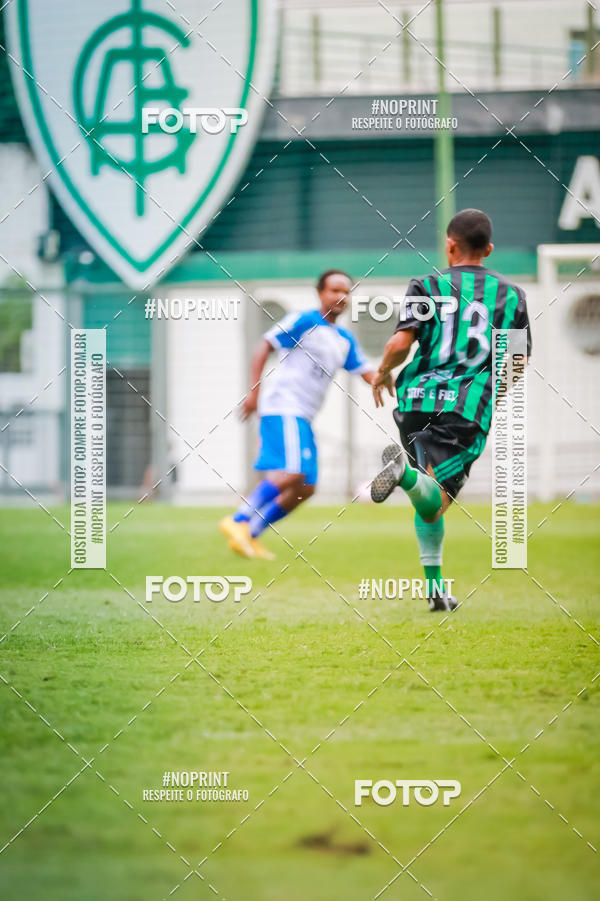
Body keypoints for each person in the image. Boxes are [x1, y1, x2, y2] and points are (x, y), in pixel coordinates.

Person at [370, 209, 531, 611]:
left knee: (426, 494)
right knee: (434, 499)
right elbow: (514, 361)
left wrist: (382, 373)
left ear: (450, 245)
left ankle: (436, 591)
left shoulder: (426, 285)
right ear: (489, 250)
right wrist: (491, 394)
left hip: (416, 400)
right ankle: (403, 475)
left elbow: (400, 344)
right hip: (465, 407)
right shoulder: (511, 296)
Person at [220, 269, 376, 558]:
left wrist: (396, 378)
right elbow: (265, 344)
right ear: (320, 293)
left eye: (346, 292)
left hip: (302, 416)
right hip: (283, 407)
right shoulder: (304, 321)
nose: (341, 296)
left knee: (306, 486)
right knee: (293, 472)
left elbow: (368, 373)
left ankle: (249, 535)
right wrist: (253, 392)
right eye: (335, 290)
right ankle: (239, 519)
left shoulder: (344, 339)